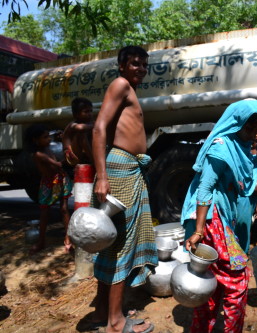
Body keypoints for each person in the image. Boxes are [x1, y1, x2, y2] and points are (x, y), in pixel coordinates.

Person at [182, 99, 257, 333]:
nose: (253, 133)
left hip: (222, 219)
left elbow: (248, 180)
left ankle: (202, 328)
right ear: (236, 122)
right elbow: (205, 189)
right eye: (249, 127)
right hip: (212, 221)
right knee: (237, 280)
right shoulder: (221, 146)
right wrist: (199, 231)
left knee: (211, 283)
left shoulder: (241, 146)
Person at [90, 46, 157, 333]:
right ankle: (116, 323)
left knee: (112, 241)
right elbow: (98, 129)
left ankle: (105, 311)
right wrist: (102, 175)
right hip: (119, 170)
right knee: (121, 245)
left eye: (143, 64)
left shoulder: (128, 88)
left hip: (128, 168)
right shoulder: (120, 85)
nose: (140, 68)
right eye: (134, 64)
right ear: (121, 65)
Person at [26, 124, 73, 253]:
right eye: (45, 137)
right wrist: (69, 156)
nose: (49, 139)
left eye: (48, 136)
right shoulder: (38, 154)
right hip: (49, 183)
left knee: (64, 209)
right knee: (44, 213)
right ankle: (41, 241)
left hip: (60, 179)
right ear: (35, 140)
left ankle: (68, 238)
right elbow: (57, 164)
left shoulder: (47, 148)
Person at [62, 97, 94, 168]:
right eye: (86, 112)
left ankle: (93, 158)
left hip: (83, 156)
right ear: (76, 115)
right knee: (81, 133)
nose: (89, 114)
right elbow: (80, 128)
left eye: (90, 111)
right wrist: (97, 125)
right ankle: (94, 161)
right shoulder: (73, 124)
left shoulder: (90, 123)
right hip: (72, 158)